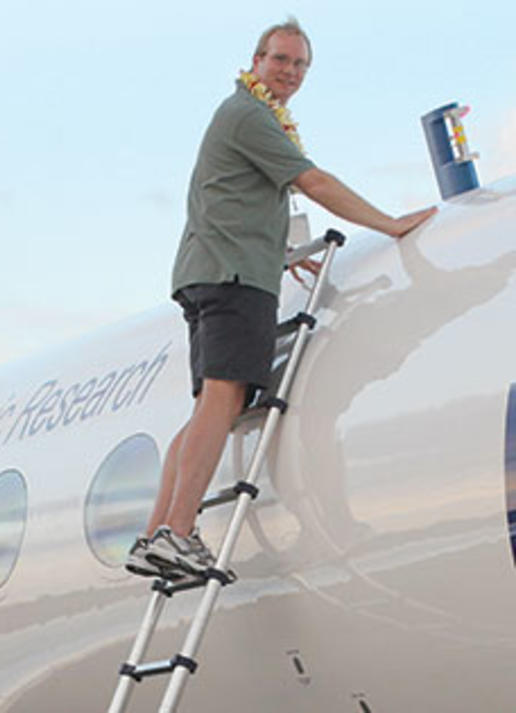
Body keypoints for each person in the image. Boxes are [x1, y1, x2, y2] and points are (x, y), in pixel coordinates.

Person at [126, 18, 436, 580]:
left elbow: (230, 202)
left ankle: (153, 534)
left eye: (299, 65)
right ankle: (176, 531)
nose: (290, 72)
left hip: (215, 269)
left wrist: (283, 254)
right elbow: (312, 182)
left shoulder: (246, 116)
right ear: (256, 61)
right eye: (280, 61)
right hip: (234, 278)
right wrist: (389, 225)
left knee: (207, 408)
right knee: (223, 399)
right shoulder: (249, 114)